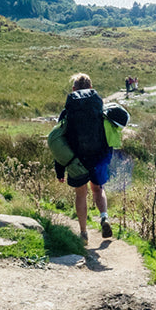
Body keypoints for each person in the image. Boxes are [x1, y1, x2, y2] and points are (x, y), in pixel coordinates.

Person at [59, 73, 114, 240]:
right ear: (91, 88)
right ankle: (104, 216)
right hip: (98, 155)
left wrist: (60, 168)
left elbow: (60, 141)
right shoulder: (101, 108)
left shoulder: (67, 111)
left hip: (77, 158)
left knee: (81, 193)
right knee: (98, 189)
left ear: (73, 89)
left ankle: (83, 233)